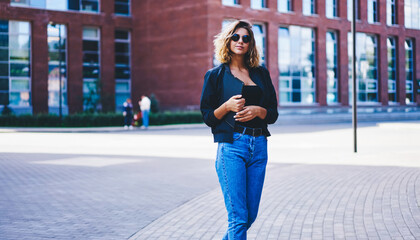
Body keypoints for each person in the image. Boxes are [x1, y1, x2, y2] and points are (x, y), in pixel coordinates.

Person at [200, 20, 278, 239]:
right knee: (238, 218)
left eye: (245, 38)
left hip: (259, 147)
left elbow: (273, 113)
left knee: (249, 215)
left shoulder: (261, 74)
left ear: (250, 43)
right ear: (228, 40)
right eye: (235, 37)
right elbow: (207, 117)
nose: (240, 41)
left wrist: (259, 111)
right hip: (232, 147)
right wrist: (226, 107)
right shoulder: (215, 76)